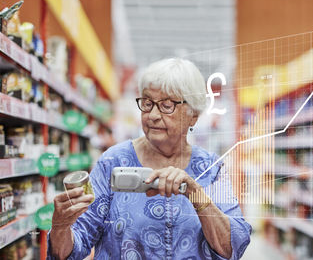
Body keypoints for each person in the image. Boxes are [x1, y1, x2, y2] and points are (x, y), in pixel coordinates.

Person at [48, 58, 252, 259]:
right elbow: (74, 247)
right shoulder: (113, 162)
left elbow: (231, 248)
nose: (152, 115)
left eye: (166, 105)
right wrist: (60, 228)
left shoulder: (210, 167)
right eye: (147, 103)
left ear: (193, 115)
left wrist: (194, 193)